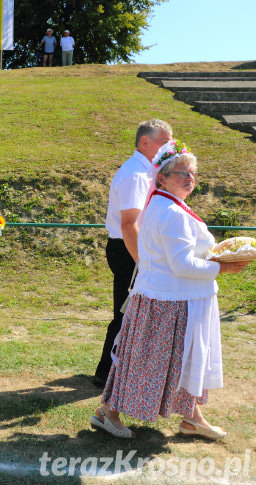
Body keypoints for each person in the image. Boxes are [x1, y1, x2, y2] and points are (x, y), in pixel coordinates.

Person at [91, 140, 248, 439]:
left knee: (172, 361)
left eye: (192, 173)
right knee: (150, 363)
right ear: (162, 177)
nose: (189, 178)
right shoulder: (171, 212)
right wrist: (224, 267)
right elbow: (183, 265)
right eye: (181, 173)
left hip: (167, 298)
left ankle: (191, 417)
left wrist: (216, 254)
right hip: (170, 302)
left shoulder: (165, 204)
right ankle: (108, 411)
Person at [93, 119, 173, 388]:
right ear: (145, 142)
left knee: (130, 313)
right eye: (164, 142)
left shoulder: (143, 170)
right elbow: (129, 225)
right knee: (126, 314)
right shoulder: (136, 174)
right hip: (128, 249)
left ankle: (110, 372)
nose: (169, 147)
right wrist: (143, 263)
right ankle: (107, 374)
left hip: (131, 248)